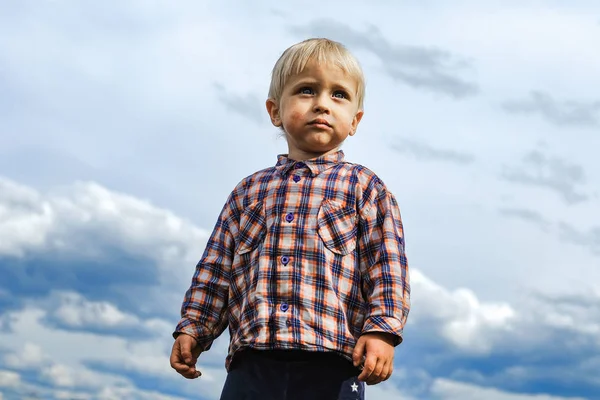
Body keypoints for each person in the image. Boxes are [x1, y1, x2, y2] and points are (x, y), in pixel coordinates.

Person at [170, 37, 411, 400]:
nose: (322, 105)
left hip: (333, 361)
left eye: (339, 95)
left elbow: (387, 267)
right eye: (306, 90)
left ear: (355, 121)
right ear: (275, 111)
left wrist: (381, 331)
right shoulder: (248, 192)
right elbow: (215, 269)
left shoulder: (365, 188)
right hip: (253, 361)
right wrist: (194, 328)